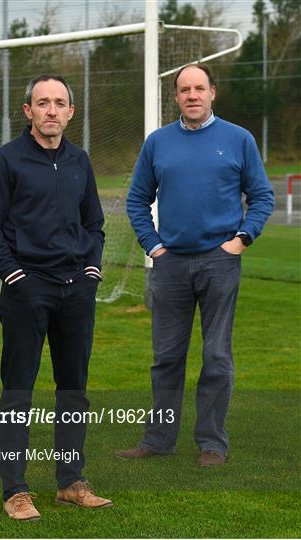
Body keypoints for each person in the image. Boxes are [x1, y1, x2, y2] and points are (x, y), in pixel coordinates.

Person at [115, 63, 274, 466]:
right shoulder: (158, 143)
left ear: (212, 93)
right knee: (166, 357)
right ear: (176, 97)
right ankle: (158, 440)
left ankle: (211, 443)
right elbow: (136, 200)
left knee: (217, 356)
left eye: (199, 88)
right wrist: (153, 246)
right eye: (184, 89)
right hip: (169, 265)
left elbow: (262, 196)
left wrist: (240, 241)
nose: (192, 95)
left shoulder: (238, 139)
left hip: (219, 262)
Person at [0, 74, 112, 520]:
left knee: (73, 390)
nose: (51, 110)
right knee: (19, 391)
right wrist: (16, 276)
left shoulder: (80, 161)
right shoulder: (6, 161)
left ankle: (70, 482)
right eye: (42, 102)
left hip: (77, 291)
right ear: (27, 111)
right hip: (26, 292)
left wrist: (90, 270)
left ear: (71, 111)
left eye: (59, 103)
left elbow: (94, 224)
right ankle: (15, 490)